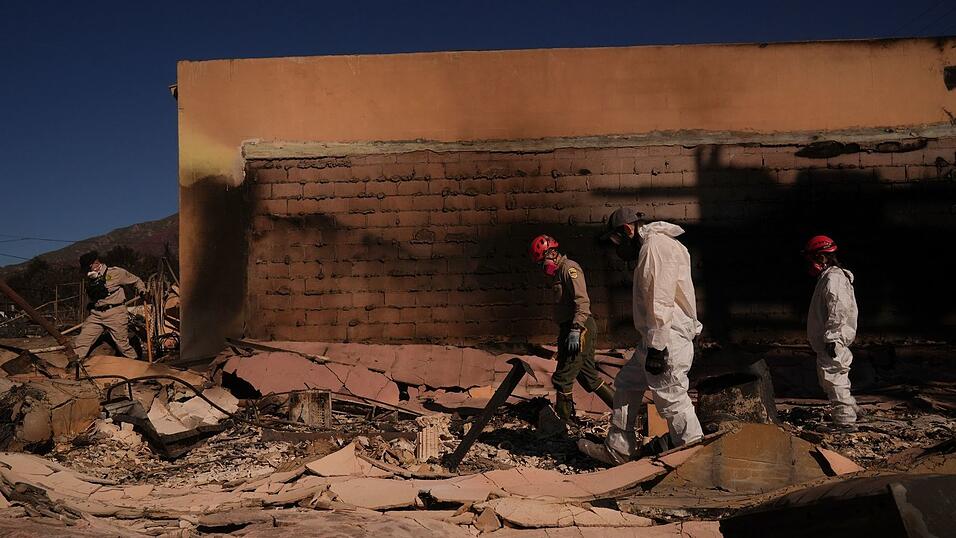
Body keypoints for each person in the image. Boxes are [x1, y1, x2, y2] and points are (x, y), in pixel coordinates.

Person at [578, 208, 704, 465]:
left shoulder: (655, 248)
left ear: (627, 230)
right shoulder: (660, 244)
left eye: (616, 240)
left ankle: (694, 458)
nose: (616, 248)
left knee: (672, 398)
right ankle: (619, 448)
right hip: (659, 337)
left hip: (665, 339)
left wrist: (658, 348)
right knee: (627, 382)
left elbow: (661, 299)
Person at [529, 234, 615, 422]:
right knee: (588, 378)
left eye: (543, 261)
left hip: (580, 329)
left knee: (562, 378)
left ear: (552, 253)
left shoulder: (570, 269)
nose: (543, 267)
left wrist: (576, 329)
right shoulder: (559, 273)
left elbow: (582, 302)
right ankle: (625, 410)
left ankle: (562, 423)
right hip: (569, 329)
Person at [803, 235, 860, 433]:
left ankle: (845, 421)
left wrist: (833, 337)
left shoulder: (833, 278)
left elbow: (839, 309)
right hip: (831, 338)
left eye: (812, 259)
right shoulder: (830, 277)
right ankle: (848, 412)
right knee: (833, 376)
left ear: (821, 257)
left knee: (834, 376)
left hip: (833, 339)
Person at [73, 251, 147, 360]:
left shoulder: (115, 273)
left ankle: (139, 366)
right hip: (96, 315)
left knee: (122, 345)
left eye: (87, 268)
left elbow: (136, 280)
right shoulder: (90, 278)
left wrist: (142, 291)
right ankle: (75, 366)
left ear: (94, 264)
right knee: (82, 342)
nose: (87, 272)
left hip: (115, 313)